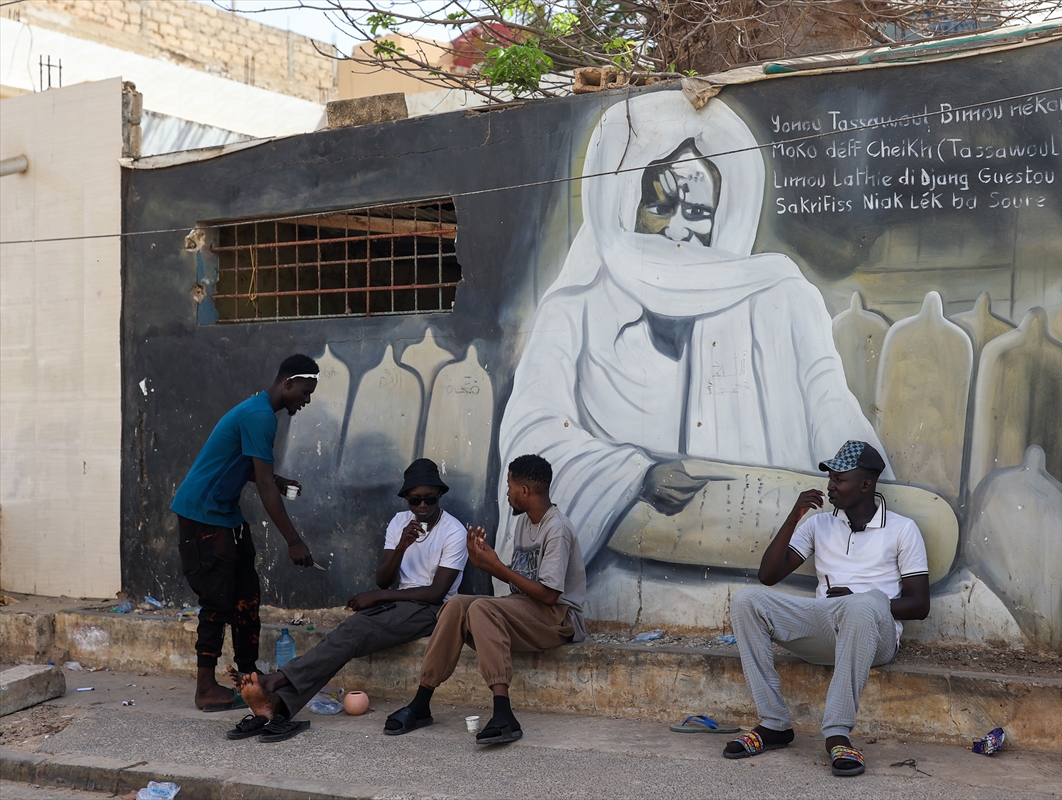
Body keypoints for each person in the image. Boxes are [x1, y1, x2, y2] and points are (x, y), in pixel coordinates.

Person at [494, 90, 887, 578]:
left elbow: (831, 410)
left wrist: (872, 500)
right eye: (660, 207)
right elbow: (532, 435)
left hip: (764, 561)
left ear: (725, 217)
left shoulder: (779, 300)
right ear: (624, 205)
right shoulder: (573, 312)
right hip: (614, 573)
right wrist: (634, 475)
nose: (678, 231)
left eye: (698, 212)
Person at [723, 440, 930, 777]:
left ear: (866, 485)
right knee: (747, 600)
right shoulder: (819, 525)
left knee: (863, 603)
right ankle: (774, 724)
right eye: (831, 478)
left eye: (840, 479)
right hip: (824, 630)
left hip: (874, 636)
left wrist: (857, 600)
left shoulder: (902, 529)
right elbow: (768, 575)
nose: (831, 486)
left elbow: (919, 604)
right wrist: (794, 517)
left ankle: (837, 734)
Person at [226, 458, 469, 742]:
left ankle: (277, 680)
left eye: (430, 499)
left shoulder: (454, 532)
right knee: (346, 637)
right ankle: (276, 703)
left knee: (353, 631)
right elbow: (383, 578)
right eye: (416, 500)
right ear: (406, 498)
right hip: (401, 602)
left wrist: (378, 596)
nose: (423, 506)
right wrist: (402, 547)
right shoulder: (399, 522)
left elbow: (436, 593)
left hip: (434, 610)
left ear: (440, 496)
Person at [384, 454, 586, 745]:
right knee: (455, 604)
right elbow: (521, 582)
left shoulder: (557, 529)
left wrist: (498, 566)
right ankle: (422, 702)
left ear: (524, 491)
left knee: (481, 608)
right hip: (527, 608)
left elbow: (549, 595)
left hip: (559, 618)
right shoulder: (525, 523)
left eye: (510, 487)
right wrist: (483, 563)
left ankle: (504, 713)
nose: (507, 493)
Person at [170, 354, 319, 712]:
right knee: (216, 600)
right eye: (304, 391)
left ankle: (249, 677)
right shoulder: (259, 416)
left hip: (226, 516)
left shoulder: (259, 411)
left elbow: (250, 467)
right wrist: (294, 541)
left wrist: (276, 479)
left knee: (246, 597)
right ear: (287, 383)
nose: (306, 399)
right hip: (202, 515)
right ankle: (206, 689)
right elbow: (263, 485)